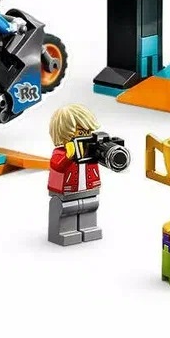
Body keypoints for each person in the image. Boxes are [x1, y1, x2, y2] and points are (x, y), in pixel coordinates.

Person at [46, 103, 107, 246]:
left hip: (89, 188)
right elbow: (57, 165)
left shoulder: (90, 150)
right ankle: (64, 232)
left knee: (90, 206)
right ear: (64, 133)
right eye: (80, 132)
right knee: (67, 209)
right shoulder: (60, 152)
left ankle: (89, 228)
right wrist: (69, 156)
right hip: (66, 190)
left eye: (88, 131)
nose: (85, 136)